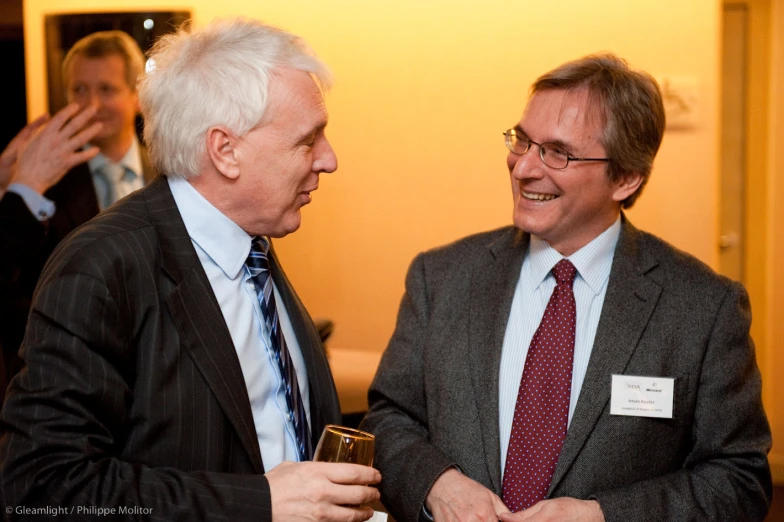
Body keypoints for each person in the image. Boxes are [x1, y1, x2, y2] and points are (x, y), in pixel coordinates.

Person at [362, 53, 771, 522]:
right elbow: (388, 419)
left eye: (558, 152)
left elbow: (738, 479)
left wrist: (602, 516)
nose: (523, 168)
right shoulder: (441, 278)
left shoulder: (703, 307)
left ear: (625, 177)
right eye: (522, 141)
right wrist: (437, 483)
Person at [1, 18, 380, 521]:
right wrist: (258, 504)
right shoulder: (102, 267)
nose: (328, 160)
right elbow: (42, 489)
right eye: (308, 141)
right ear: (225, 151)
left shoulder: (251, 242)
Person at [0, 30, 154, 391]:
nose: (92, 105)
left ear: (136, 97)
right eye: (79, 90)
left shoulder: (172, 174)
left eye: (107, 89)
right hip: (74, 376)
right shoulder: (44, 185)